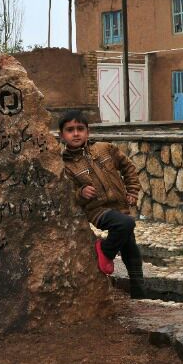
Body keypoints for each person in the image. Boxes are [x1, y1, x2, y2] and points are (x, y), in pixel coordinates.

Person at [58, 110, 145, 296]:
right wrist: (81, 192)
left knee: (130, 247)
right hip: (97, 211)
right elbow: (67, 194)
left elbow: (128, 167)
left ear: (87, 132)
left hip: (120, 206)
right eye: (70, 130)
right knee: (126, 224)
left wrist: (132, 191)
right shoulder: (65, 165)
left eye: (80, 129)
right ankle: (105, 251)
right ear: (62, 135)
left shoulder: (105, 149)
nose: (76, 133)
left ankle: (139, 291)